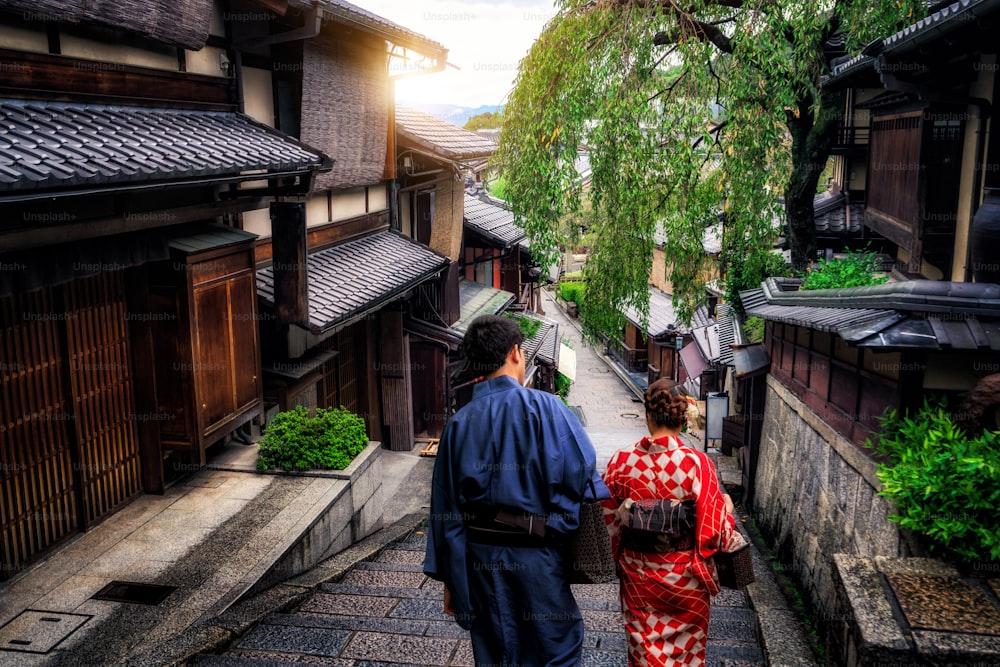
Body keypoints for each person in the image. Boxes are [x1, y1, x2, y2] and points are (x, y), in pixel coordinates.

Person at [424, 314, 609, 667]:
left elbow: (445, 510)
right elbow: (580, 471)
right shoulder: (549, 408)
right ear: (515, 353)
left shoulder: (459, 424)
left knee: (495, 651)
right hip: (538, 557)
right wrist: (556, 518)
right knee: (556, 649)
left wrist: (450, 577)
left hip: (479, 563)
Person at [602, 378, 745, 667]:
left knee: (645, 657)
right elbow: (716, 534)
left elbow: (608, 525)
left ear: (648, 415)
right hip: (687, 582)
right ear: (683, 420)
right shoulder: (699, 464)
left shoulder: (622, 462)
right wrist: (726, 510)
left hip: (639, 580)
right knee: (688, 659)